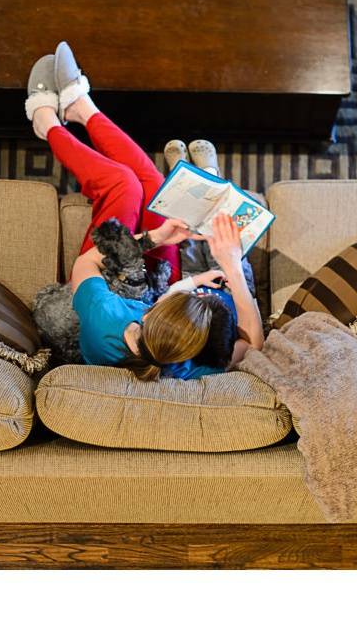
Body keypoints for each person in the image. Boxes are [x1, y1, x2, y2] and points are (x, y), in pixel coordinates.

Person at [25, 41, 265, 381]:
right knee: (154, 187)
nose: (190, 287)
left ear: (151, 315)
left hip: (106, 281)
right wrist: (217, 272)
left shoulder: (104, 317)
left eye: (184, 294)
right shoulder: (186, 360)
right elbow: (253, 345)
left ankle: (47, 125)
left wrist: (151, 239)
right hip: (153, 283)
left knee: (122, 184)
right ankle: (82, 108)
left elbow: (86, 263)